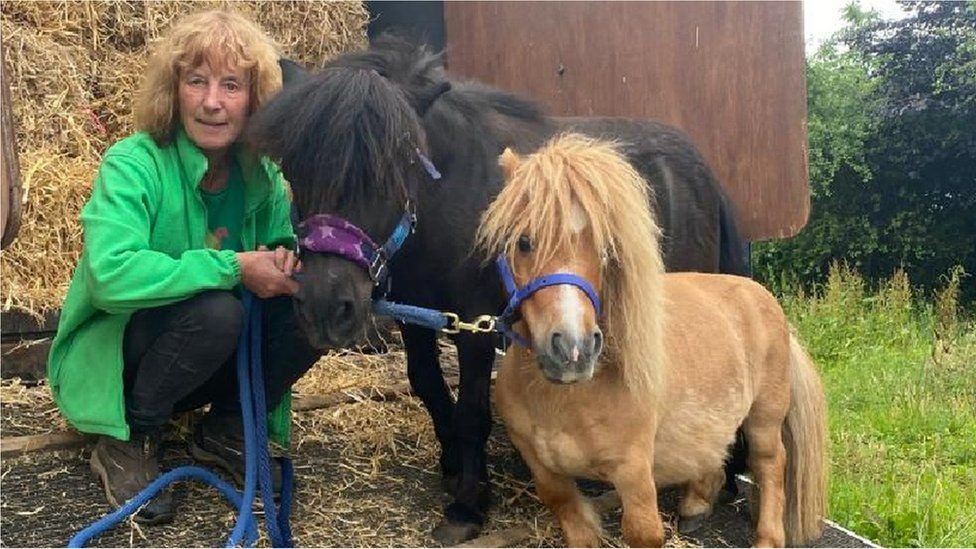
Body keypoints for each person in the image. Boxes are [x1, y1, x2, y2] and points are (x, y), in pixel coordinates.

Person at [47, 10, 325, 524]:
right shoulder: (133, 163)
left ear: (255, 99)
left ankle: (227, 427)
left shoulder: (259, 173)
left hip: (201, 359)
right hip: (123, 360)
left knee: (320, 301)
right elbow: (110, 276)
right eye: (196, 81)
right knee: (217, 309)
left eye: (231, 85)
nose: (212, 102)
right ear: (174, 91)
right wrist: (234, 267)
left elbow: (278, 240)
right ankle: (128, 438)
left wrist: (285, 259)